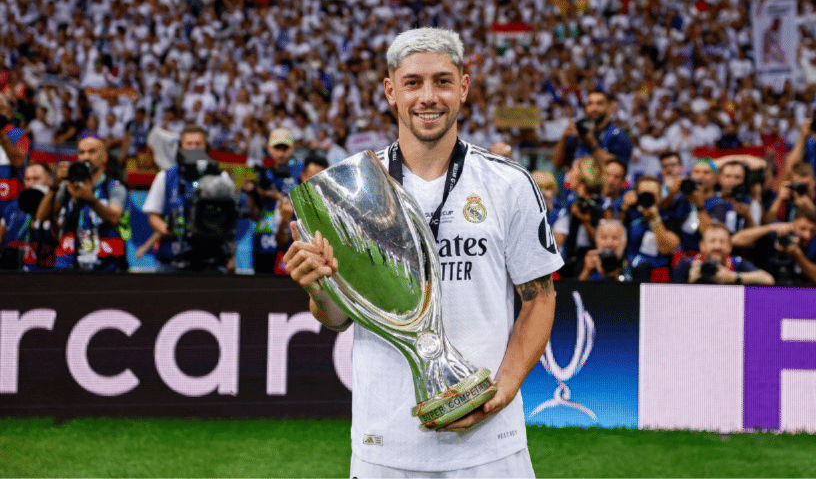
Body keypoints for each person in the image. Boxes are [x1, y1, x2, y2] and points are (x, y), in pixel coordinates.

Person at [283, 28, 561, 478]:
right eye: (412, 83)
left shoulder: (509, 183)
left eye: (442, 81)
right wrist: (317, 289)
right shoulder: (351, 193)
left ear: (463, 87)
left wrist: (505, 388)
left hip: (490, 444)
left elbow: (540, 298)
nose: (428, 97)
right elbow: (337, 319)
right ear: (390, 91)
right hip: (385, 443)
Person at [142, 125, 237, 273]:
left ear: (206, 147)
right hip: (172, 259)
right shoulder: (165, 177)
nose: (193, 148)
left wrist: (231, 256)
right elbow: (153, 216)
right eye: (189, 144)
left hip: (211, 258)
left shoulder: (221, 177)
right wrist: (172, 230)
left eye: (198, 144)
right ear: (181, 147)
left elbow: (230, 219)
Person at [35, 135, 129, 271]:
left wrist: (91, 200)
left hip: (104, 263)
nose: (86, 157)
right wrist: (55, 185)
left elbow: (114, 218)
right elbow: (41, 216)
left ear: (104, 157)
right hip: (68, 261)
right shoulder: (68, 186)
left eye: (92, 152)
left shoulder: (114, 187)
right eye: (81, 152)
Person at [244, 128, 299, 274]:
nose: (281, 154)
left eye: (285, 148)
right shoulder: (260, 173)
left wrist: (277, 196)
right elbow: (253, 211)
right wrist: (251, 191)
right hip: (264, 237)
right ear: (269, 148)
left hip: (292, 237)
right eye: (277, 148)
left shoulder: (299, 171)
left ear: (292, 148)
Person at [731, 209, 816, 286]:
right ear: (792, 224)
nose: (807, 235)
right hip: (765, 288)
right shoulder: (774, 233)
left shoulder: (814, 244)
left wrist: (797, 254)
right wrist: (771, 228)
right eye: (803, 229)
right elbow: (735, 240)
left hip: (798, 290)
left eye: (812, 231)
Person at [551, 90, 632, 172]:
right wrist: (564, 137)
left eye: (599, 103)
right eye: (590, 104)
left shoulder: (617, 134)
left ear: (609, 108)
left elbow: (617, 170)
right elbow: (557, 164)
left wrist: (592, 144)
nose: (594, 108)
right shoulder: (580, 130)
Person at [671, 222, 775, 285]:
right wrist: (688, 282)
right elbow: (671, 294)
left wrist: (733, 277)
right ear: (702, 245)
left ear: (730, 246)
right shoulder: (688, 263)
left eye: (722, 241)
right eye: (712, 241)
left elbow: (768, 279)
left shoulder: (737, 263)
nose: (717, 246)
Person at [0, 162, 52, 269]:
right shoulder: (12, 207)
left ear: (49, 180)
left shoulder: (56, 206)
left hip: (43, 271)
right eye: (27, 179)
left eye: (36, 178)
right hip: (12, 269)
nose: (31, 183)